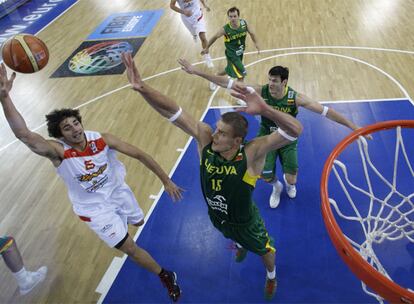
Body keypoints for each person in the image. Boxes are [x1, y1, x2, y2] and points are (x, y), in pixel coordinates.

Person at [122, 52, 303, 300]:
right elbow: (173, 111)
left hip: (246, 223)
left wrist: (266, 109)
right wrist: (143, 89)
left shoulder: (251, 153)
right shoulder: (206, 140)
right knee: (230, 235)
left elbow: (295, 131)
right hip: (218, 218)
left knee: (265, 252)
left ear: (237, 141)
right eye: (217, 131)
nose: (215, 136)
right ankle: (239, 245)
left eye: (222, 134)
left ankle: (271, 277)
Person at [0, 64, 183, 302]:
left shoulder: (102, 139)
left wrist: (165, 180)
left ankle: (126, 221)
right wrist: (4, 98)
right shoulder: (59, 153)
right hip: (95, 210)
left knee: (138, 221)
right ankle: (165, 274)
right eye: (67, 127)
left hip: (118, 192)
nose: (75, 128)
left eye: (75, 122)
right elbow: (24, 134)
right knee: (130, 248)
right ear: (60, 135)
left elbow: (140, 154)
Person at [177, 59, 369, 208]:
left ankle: (288, 184)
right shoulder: (262, 90)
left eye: (274, 81)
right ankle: (276, 187)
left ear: (284, 82)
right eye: (269, 79)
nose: (270, 83)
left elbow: (327, 112)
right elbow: (228, 82)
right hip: (266, 136)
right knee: (266, 176)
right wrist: (197, 71)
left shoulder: (296, 98)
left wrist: (354, 127)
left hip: (287, 139)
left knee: (292, 179)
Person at [201, 6, 260, 92]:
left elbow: (252, 33)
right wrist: (206, 48)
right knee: (241, 74)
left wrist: (256, 43)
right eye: (230, 16)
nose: (232, 18)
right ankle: (240, 97)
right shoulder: (226, 29)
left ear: (238, 16)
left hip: (240, 52)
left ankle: (215, 77)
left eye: (235, 16)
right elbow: (215, 37)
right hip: (232, 55)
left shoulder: (244, 24)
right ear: (228, 17)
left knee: (229, 70)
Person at [170, 0, 214, 68]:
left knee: (203, 38)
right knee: (193, 32)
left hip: (198, 16)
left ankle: (207, 57)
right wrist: (183, 11)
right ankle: (194, 34)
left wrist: (205, 5)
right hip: (186, 18)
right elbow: (172, 5)